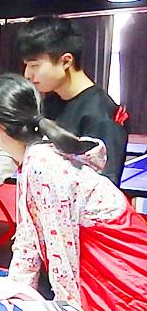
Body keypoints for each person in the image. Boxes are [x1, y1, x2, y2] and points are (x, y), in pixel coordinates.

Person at [0, 74, 147, 311]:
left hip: (121, 265)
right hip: (111, 257)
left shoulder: (44, 165)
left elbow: (61, 250)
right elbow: (28, 238)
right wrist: (13, 298)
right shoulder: (37, 156)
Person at [19, 16, 127, 185]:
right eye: (26, 65)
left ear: (66, 61)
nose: (27, 74)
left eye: (34, 65)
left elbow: (106, 188)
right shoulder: (49, 103)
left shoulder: (100, 115)